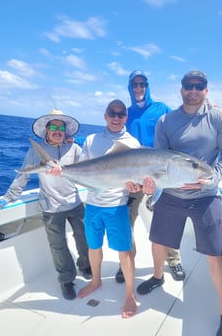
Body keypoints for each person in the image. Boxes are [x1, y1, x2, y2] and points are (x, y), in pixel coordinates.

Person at [136, 70, 222, 336]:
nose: (193, 89)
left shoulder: (219, 117)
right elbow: (158, 160)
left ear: (206, 89)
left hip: (206, 196)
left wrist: (213, 178)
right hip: (171, 194)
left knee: (216, 254)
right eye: (188, 85)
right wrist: (150, 183)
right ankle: (158, 277)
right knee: (157, 241)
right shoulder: (166, 121)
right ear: (181, 89)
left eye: (199, 85)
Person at [0, 110, 92, 300]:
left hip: (74, 203)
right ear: (46, 130)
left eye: (61, 127)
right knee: (58, 246)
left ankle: (86, 266)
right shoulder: (35, 151)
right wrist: (8, 197)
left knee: (84, 239)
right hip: (51, 207)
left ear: (65, 131)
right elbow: (24, 174)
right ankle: (66, 280)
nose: (57, 130)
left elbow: (88, 170)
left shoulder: (75, 149)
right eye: (53, 127)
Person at [76, 99, 145, 318]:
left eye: (121, 114)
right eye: (112, 113)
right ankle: (96, 281)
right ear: (105, 115)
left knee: (124, 251)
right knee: (93, 246)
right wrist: (60, 170)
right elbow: (82, 167)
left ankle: (129, 293)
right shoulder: (91, 139)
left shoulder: (133, 143)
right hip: (93, 204)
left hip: (116, 205)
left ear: (126, 117)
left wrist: (138, 185)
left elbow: (138, 177)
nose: (116, 118)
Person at [115, 70, 185, 284]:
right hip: (134, 178)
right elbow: (110, 136)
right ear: (130, 87)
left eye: (142, 84)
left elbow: (183, 119)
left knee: (165, 220)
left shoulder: (162, 109)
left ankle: (173, 260)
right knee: (127, 221)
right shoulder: (125, 114)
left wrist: (207, 107)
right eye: (134, 84)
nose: (138, 88)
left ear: (147, 86)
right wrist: (75, 139)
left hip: (159, 176)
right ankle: (126, 262)